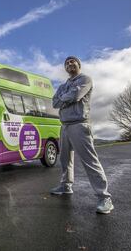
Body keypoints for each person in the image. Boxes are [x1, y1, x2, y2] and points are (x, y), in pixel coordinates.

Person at [50, 56, 114, 214]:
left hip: (79, 124)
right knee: (65, 159)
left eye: (72, 61)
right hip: (64, 126)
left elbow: (76, 96)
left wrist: (64, 98)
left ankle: (104, 197)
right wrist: (66, 98)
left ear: (79, 64)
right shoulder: (63, 85)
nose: (69, 64)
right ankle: (66, 186)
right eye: (67, 63)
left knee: (90, 161)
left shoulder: (85, 79)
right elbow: (54, 103)